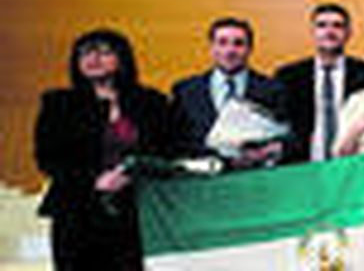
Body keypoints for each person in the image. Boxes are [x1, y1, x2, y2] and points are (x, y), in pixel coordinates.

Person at [34, 29, 172, 270]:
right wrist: (94, 181)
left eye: (104, 52)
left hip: (137, 209)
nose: (93, 59)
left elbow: (167, 150)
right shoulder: (58, 103)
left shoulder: (151, 101)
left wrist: (134, 174)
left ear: (122, 59)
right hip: (77, 211)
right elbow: (48, 158)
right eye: (85, 53)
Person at [168, 17, 288, 170]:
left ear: (250, 49)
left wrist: (268, 151)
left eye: (238, 44)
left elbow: (288, 136)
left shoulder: (273, 89)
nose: (229, 51)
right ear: (212, 47)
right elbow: (173, 142)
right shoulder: (185, 91)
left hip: (254, 177)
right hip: (201, 182)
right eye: (222, 42)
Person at [274, 3, 364, 162]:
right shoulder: (288, 76)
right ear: (312, 32)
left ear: (348, 33)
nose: (329, 32)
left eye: (337, 26)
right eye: (322, 26)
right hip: (302, 166)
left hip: (353, 164)